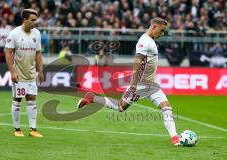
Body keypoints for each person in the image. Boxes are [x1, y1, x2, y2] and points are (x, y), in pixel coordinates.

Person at [77, 17, 180, 146]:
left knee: (167, 108)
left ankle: (175, 138)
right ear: (154, 27)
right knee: (120, 107)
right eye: (161, 30)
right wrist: (134, 83)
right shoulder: (144, 41)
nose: (163, 34)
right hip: (140, 84)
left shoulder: (151, 40)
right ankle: (93, 98)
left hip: (151, 85)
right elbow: (138, 61)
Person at [5, 9, 44, 137]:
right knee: (17, 100)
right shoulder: (14, 34)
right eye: (32, 20)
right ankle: (17, 129)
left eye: (35, 20)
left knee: (32, 99)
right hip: (19, 75)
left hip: (31, 74)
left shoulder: (36, 33)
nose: (34, 23)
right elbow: (8, 53)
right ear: (25, 19)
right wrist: (13, 71)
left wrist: (41, 71)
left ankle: (33, 130)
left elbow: (38, 53)